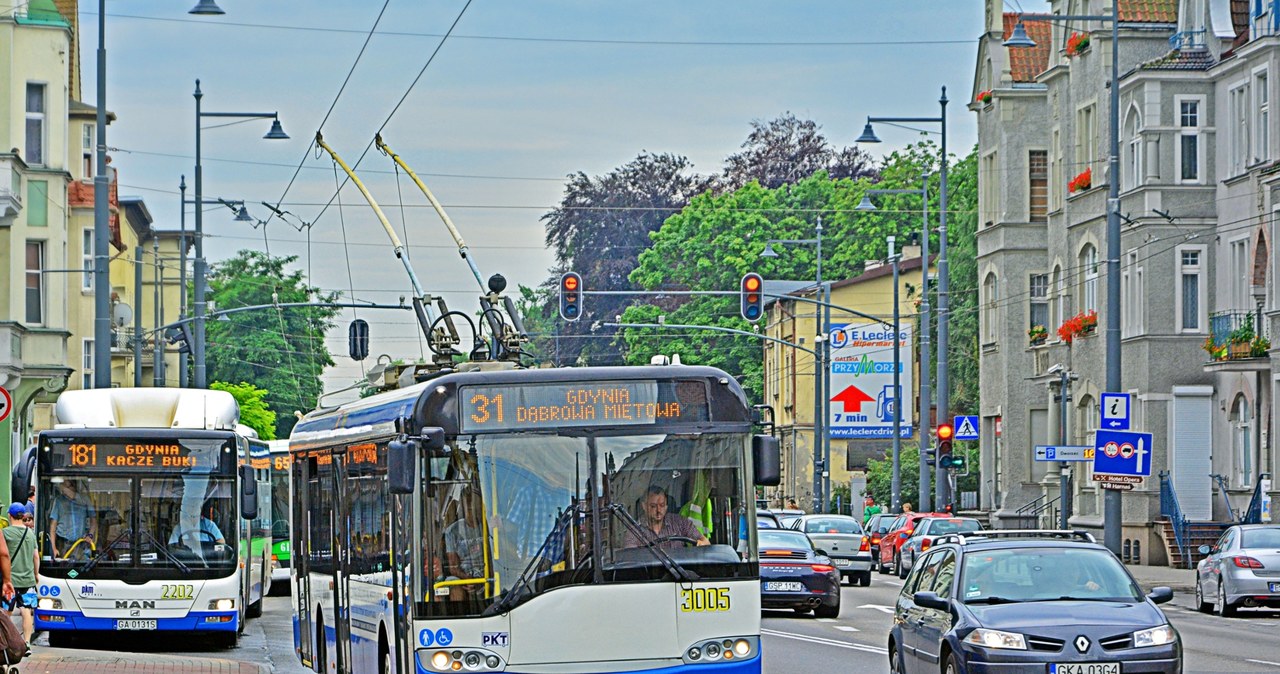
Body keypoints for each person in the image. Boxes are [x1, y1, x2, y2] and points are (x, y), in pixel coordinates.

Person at [623, 485, 709, 550]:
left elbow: (704, 541)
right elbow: (631, 557)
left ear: (667, 506)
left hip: (679, 572)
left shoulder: (681, 522)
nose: (658, 510)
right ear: (644, 506)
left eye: (662, 505)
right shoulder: (634, 531)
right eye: (653, 506)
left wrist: (702, 543)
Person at [4, 503, 36, 650]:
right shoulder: (30, 534)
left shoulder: (5, 533)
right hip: (27, 580)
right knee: (26, 610)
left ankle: (5, 643)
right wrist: (36, 574)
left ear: (9, 515)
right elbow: (36, 557)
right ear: (23, 516)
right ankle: (27, 643)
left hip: (9, 581)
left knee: (6, 613)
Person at [48, 479, 96, 559]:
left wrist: (90, 535)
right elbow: (53, 526)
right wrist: (54, 548)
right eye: (63, 487)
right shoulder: (59, 501)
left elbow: (93, 521)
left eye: (67, 487)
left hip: (80, 543)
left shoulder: (84, 500)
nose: (64, 490)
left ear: (74, 487)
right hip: (63, 543)